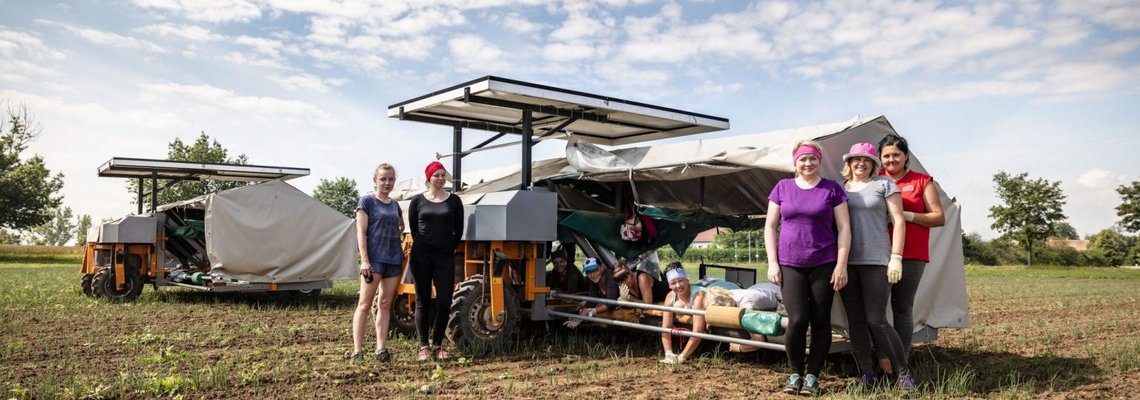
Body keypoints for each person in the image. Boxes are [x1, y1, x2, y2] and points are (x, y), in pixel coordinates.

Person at [764, 140, 851, 396]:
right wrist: (772, 261)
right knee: (798, 319)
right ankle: (795, 373)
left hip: (824, 263)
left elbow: (845, 228)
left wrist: (841, 265)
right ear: (795, 162)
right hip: (790, 264)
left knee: (821, 320)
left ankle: (813, 376)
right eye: (802, 159)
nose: (808, 163)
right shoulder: (782, 188)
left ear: (819, 161)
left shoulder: (832, 189)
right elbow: (770, 226)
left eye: (812, 159)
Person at [838, 142, 916, 392]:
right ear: (848, 163)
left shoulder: (884, 184)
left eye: (866, 160)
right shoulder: (842, 189)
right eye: (855, 159)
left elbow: (899, 221)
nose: (860, 163)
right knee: (856, 321)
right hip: (848, 262)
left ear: (874, 164)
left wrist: (896, 256)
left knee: (877, 320)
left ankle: (903, 375)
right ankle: (867, 374)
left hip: (876, 261)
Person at [878, 134, 944, 363]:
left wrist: (908, 216)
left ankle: (900, 362)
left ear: (906, 156)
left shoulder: (922, 181)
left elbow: (938, 217)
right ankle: (880, 360)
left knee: (902, 310)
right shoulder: (874, 180)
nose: (891, 159)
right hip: (878, 254)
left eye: (896, 154)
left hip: (911, 255)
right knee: (875, 313)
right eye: (886, 156)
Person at [408, 161, 464, 361]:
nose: (440, 178)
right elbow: (414, 229)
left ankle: (439, 345)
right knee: (422, 300)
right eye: (436, 175)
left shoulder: (454, 201)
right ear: (428, 178)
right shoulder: (417, 201)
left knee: (444, 301)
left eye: (442, 175)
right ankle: (424, 346)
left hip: (444, 257)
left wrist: (447, 247)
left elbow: (459, 230)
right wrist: (426, 245)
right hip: (421, 256)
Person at [349, 163, 405, 363]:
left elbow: (401, 225)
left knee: (385, 303)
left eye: (390, 179)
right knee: (364, 305)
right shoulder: (367, 202)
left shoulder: (394, 204)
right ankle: (357, 350)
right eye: (383, 179)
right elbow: (361, 233)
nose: (387, 182)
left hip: (393, 260)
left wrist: (393, 239)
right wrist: (364, 260)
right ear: (375, 180)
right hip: (374, 261)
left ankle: (381, 348)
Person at [658, 262, 707, 365]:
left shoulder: (699, 297)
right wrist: (668, 353)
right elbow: (665, 328)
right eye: (673, 283)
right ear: (669, 285)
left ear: (687, 280)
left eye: (680, 280)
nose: (678, 285)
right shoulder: (670, 297)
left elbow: (698, 332)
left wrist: (682, 357)